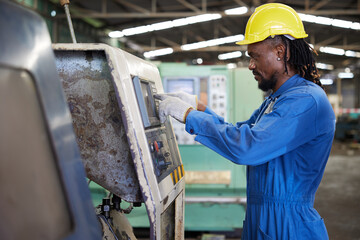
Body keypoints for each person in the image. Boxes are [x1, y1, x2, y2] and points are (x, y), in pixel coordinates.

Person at [155, 3, 336, 240]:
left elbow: (247, 146)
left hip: (289, 227)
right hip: (262, 221)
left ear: (280, 52)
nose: (251, 65)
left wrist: (189, 116)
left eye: (255, 56)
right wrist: (198, 108)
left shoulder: (306, 100)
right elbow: (242, 131)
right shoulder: (278, 99)